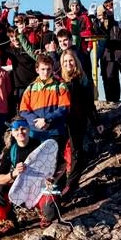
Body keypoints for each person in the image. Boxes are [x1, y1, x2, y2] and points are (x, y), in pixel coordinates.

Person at [0, 116, 56, 237]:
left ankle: (43, 212)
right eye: (16, 130)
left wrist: (52, 178)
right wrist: (13, 173)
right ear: (12, 133)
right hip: (21, 189)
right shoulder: (11, 151)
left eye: (23, 128)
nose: (20, 132)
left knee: (51, 213)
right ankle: (9, 221)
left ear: (28, 129)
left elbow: (61, 165)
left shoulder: (40, 146)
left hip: (41, 188)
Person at [19, 55, 70, 186]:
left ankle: (59, 191)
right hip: (36, 132)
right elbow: (23, 110)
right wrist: (36, 121)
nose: (45, 72)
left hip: (55, 131)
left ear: (53, 69)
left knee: (56, 161)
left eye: (48, 69)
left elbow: (64, 107)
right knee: (36, 162)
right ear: (37, 69)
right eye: (42, 69)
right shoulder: (30, 88)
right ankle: (38, 192)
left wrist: (47, 120)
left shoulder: (60, 85)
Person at [60, 49, 104, 197]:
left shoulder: (83, 78)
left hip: (78, 120)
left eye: (70, 60)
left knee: (77, 153)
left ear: (76, 61)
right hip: (61, 122)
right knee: (62, 154)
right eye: (65, 61)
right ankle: (61, 185)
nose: (68, 63)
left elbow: (89, 102)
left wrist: (96, 121)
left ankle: (70, 185)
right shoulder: (59, 79)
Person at [94, 6, 121, 105]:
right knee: (111, 78)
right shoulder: (103, 24)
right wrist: (95, 20)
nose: (110, 11)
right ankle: (113, 100)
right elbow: (97, 33)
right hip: (109, 55)